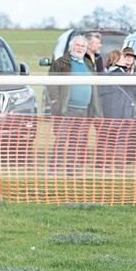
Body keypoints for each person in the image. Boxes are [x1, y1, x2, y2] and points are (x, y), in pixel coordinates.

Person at [47, 35, 102, 176]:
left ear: (86, 48)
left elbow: (94, 87)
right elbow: (52, 84)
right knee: (61, 140)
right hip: (66, 109)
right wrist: (55, 101)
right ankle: (53, 170)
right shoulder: (61, 62)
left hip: (84, 110)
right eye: (77, 45)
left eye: (83, 46)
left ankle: (71, 170)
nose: (80, 48)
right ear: (72, 47)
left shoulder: (88, 64)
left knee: (76, 142)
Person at [96, 50, 136, 171]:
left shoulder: (105, 74)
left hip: (109, 112)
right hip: (121, 112)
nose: (126, 59)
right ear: (116, 61)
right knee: (120, 140)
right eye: (123, 58)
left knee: (108, 139)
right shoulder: (121, 74)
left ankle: (105, 165)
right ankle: (119, 167)